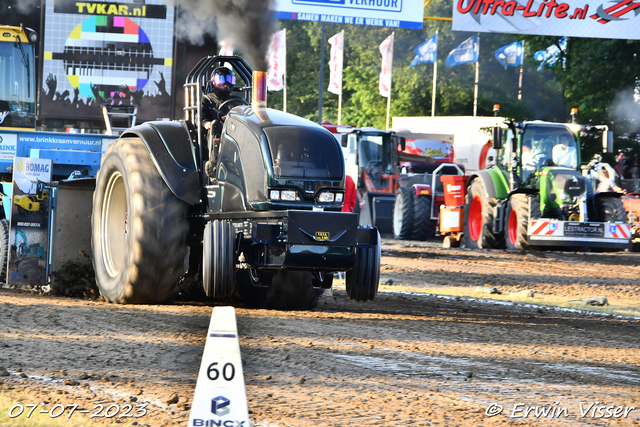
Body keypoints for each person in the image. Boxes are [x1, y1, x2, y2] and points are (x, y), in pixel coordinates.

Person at [201, 67, 242, 137]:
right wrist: (207, 123)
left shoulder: (237, 101)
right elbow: (200, 118)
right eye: (222, 81)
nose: (226, 85)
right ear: (214, 82)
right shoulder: (206, 100)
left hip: (235, 134)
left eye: (229, 81)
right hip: (214, 136)